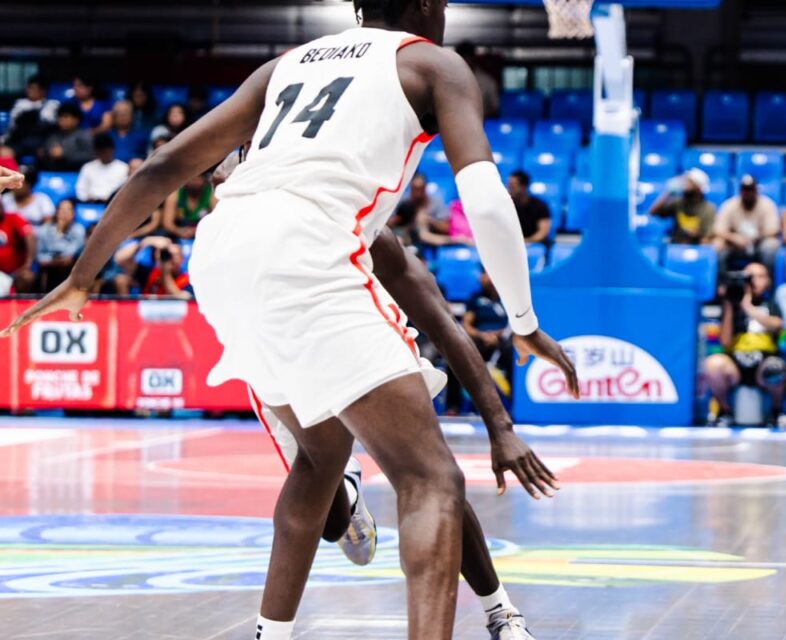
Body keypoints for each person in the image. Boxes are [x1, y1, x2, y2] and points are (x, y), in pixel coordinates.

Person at [1, 2, 580, 638]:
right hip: (309, 255)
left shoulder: (283, 68)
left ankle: (277, 621)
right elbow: (488, 205)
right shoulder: (433, 64)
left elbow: (164, 165)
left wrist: (83, 277)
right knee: (430, 476)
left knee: (321, 459)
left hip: (221, 254)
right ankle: (475, 602)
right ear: (426, 7)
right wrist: (522, 319)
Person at [253, 227, 567, 640]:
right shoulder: (245, 212)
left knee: (431, 475)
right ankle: (344, 480)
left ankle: (501, 613)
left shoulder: (365, 229)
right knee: (329, 521)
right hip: (279, 347)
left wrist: (499, 425)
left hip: (360, 338)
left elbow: (444, 325)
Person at [704, 261, 786, 426]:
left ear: (768, 281)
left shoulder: (771, 305)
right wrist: (729, 305)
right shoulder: (731, 306)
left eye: (761, 276)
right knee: (712, 365)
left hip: (763, 364)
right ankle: (725, 412)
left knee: (777, 367)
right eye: (751, 277)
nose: (755, 281)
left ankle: (776, 411)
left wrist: (747, 307)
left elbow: (777, 325)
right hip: (735, 365)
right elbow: (725, 343)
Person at [446, 270, 514, 413]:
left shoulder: (509, 298)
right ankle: (453, 406)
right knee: (455, 356)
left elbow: (515, 323)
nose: (487, 278)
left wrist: (498, 334)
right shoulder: (474, 299)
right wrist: (482, 335)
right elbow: (466, 325)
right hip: (480, 340)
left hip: (504, 339)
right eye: (485, 274)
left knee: (514, 353)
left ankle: (514, 404)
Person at [714, 175, 781, 270]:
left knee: (770, 246)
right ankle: (722, 282)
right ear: (740, 191)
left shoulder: (767, 205)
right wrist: (733, 238)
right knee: (718, 244)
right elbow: (718, 230)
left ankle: (767, 281)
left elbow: (773, 230)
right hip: (735, 245)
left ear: (756, 191)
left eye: (751, 190)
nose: (748, 193)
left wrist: (755, 238)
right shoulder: (730, 205)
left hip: (759, 243)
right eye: (745, 190)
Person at [649, 168, 716, 245]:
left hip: (696, 247)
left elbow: (707, 239)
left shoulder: (709, 208)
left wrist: (695, 235)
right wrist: (669, 192)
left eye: (689, 182)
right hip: (675, 246)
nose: (685, 184)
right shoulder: (677, 203)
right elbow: (652, 212)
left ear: (699, 187)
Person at [34, 199, 86, 292]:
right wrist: (59, 231)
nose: (65, 213)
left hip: (70, 267)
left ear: (73, 214)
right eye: (62, 210)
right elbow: (40, 257)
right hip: (49, 267)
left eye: (68, 210)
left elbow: (74, 252)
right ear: (56, 212)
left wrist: (62, 232)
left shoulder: (79, 230)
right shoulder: (44, 230)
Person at [7, 75, 60, 160]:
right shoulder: (19, 104)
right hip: (21, 139)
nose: (32, 91)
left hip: (42, 140)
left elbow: (51, 122)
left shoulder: (52, 105)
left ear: (43, 91)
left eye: (36, 89)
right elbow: (13, 125)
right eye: (30, 88)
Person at [396, 173, 453, 247]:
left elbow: (446, 227)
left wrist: (430, 220)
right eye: (415, 189)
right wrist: (401, 219)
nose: (418, 193)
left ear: (425, 187)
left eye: (421, 189)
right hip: (404, 236)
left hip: (427, 238)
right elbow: (389, 224)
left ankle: (455, 240)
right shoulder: (402, 202)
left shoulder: (436, 202)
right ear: (411, 188)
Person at [76, 133, 130, 203]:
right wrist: (88, 198)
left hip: (114, 205)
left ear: (112, 149)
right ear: (96, 152)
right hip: (92, 205)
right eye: (101, 152)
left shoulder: (124, 168)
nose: (104, 154)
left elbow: (125, 191)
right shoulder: (87, 167)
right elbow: (81, 191)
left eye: (106, 151)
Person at [40, 104, 94, 171]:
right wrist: (45, 154)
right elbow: (46, 153)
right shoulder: (53, 137)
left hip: (77, 173)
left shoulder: (84, 136)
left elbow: (91, 156)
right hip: (54, 174)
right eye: (60, 117)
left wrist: (65, 154)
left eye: (66, 116)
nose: (62, 119)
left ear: (76, 120)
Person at [162, 172, 216, 239]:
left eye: (198, 178)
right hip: (179, 236)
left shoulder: (212, 195)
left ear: (204, 180)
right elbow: (167, 224)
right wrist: (179, 231)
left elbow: (217, 221)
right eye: (192, 178)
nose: (194, 182)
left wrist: (200, 231)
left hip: (205, 234)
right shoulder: (174, 195)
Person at [455, 41, 500, 118]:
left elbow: (495, 110)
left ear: (473, 59)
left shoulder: (487, 82)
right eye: (461, 59)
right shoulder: (447, 79)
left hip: (481, 125)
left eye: (467, 58)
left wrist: (480, 118)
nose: (465, 62)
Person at [507, 170, 550, 244]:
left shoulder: (540, 206)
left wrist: (526, 242)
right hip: (511, 244)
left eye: (513, 187)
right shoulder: (506, 206)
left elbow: (543, 233)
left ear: (524, 187)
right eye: (509, 186)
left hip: (533, 244)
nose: (509, 190)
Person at [0, 205, 36, 294]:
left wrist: (28, 262)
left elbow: (29, 235)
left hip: (14, 272)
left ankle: (20, 305)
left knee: (27, 277)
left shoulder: (12, 218)